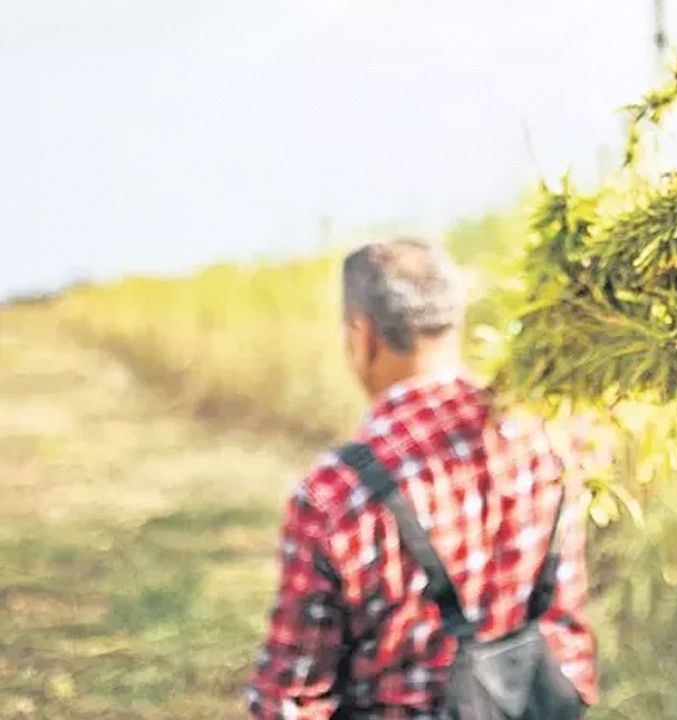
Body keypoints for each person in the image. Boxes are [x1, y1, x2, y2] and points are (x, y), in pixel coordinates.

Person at [246, 238, 599, 718]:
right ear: (454, 323)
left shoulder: (335, 494)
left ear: (362, 337)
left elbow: (292, 699)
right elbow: (566, 628)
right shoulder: (551, 441)